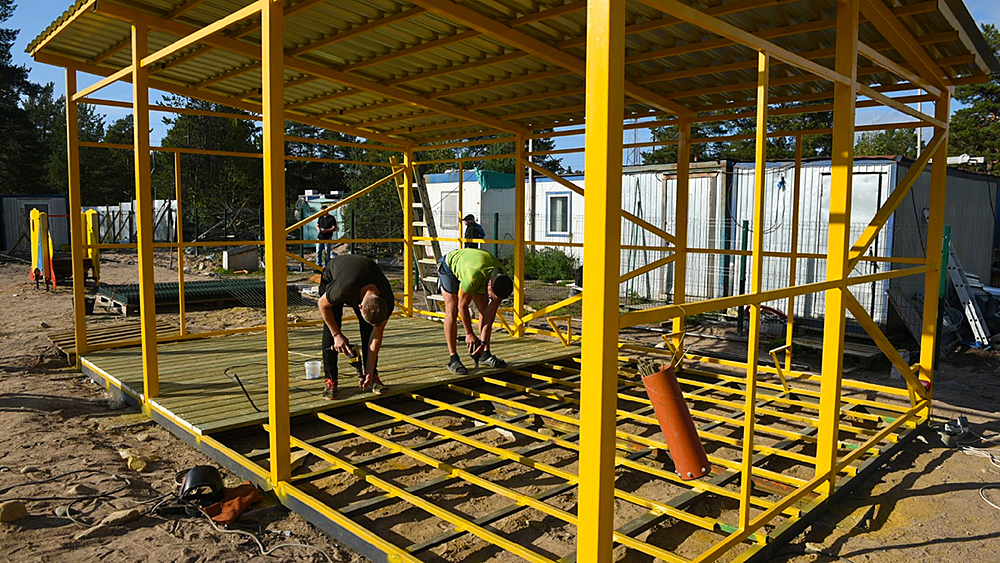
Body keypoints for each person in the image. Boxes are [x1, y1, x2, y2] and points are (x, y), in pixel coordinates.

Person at [318, 254, 394, 399]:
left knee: (368, 330)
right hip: (335, 275)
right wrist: (337, 335)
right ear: (359, 306)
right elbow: (322, 305)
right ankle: (330, 380)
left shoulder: (387, 302)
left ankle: (372, 377)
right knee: (332, 324)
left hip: (361, 275)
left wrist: (369, 370)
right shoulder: (343, 289)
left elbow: (376, 336)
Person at [437, 248, 514, 374]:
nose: (494, 299)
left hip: (476, 267)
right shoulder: (473, 277)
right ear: (490, 284)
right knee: (452, 308)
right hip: (450, 266)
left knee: (484, 307)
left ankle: (485, 354)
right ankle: (453, 358)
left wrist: (483, 343)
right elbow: (462, 306)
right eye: (493, 296)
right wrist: (469, 333)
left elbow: (489, 314)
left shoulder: (501, 279)